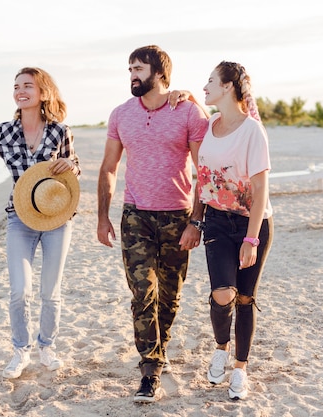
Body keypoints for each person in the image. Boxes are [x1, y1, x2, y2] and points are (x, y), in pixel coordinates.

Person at [0, 67, 80, 379]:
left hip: (56, 219)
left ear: (43, 92)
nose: (21, 91)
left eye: (28, 86)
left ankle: (47, 346)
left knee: (50, 291)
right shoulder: (4, 132)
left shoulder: (60, 132)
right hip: (19, 218)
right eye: (17, 86)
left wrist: (70, 165)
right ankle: (20, 350)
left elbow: (74, 167)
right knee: (20, 290)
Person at [97, 45, 209, 403]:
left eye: (139, 68)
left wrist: (197, 221)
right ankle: (150, 368)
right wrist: (102, 217)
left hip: (177, 217)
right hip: (135, 215)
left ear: (159, 73)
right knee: (141, 294)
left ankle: (158, 348)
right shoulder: (120, 114)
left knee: (169, 297)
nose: (132, 74)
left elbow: (203, 170)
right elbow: (109, 168)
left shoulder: (187, 111)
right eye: (129, 67)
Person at [179, 61, 274, 401]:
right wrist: (196, 219)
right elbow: (202, 178)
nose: (205, 86)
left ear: (229, 86)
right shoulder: (211, 125)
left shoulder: (252, 130)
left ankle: (240, 369)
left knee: (246, 298)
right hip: (218, 219)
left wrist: (251, 239)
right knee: (223, 294)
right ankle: (221, 348)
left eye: (210, 81)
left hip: (253, 223)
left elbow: (261, 190)